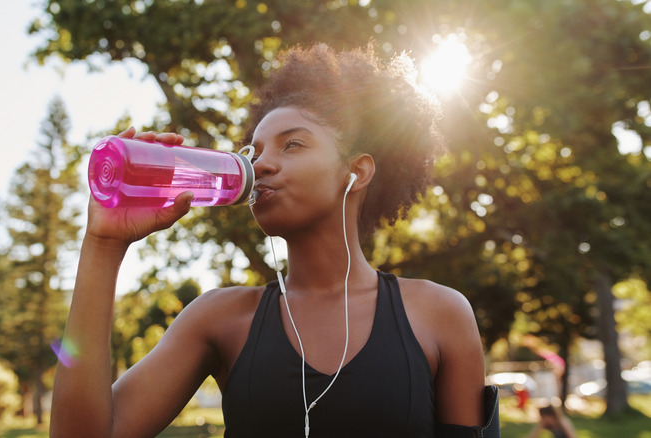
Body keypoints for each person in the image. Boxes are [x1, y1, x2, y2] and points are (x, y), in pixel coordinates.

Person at [50, 43, 498, 437]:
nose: (261, 164)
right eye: (255, 151)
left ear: (356, 172)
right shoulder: (219, 319)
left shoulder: (438, 315)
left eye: (293, 145)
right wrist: (102, 246)